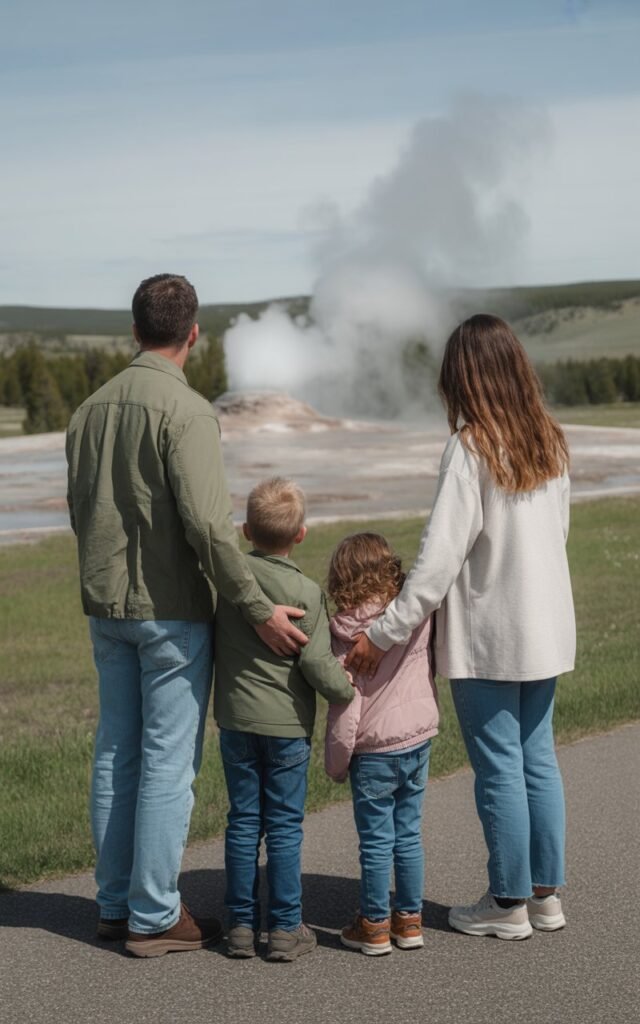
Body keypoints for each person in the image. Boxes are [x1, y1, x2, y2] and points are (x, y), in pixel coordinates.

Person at [66, 274, 308, 958]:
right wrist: (257, 608)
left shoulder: (88, 410)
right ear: (193, 334)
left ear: (134, 331)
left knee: (116, 752)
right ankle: (152, 915)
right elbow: (209, 526)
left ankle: (115, 904)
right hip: (170, 612)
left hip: (105, 606)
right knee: (169, 762)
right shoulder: (189, 411)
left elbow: (80, 508)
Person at [346, 314, 575, 941]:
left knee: (501, 766)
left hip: (492, 638)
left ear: (463, 378)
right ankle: (545, 896)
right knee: (538, 759)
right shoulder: (549, 439)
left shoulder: (472, 447)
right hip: (547, 628)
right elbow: (557, 535)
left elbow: (438, 560)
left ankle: (507, 903)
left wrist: (383, 633)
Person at [213, 477, 355, 962]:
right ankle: (284, 928)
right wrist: (346, 691)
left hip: (235, 721)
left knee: (243, 822)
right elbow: (316, 664)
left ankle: (238, 925)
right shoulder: (306, 591)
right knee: (285, 827)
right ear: (301, 535)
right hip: (288, 728)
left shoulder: (233, 584)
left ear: (246, 528)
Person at [324, 532, 439, 956]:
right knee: (407, 833)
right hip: (417, 737)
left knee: (375, 841)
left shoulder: (343, 633)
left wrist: (337, 763)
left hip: (372, 751)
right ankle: (409, 922)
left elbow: (346, 707)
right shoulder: (413, 616)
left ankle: (373, 924)